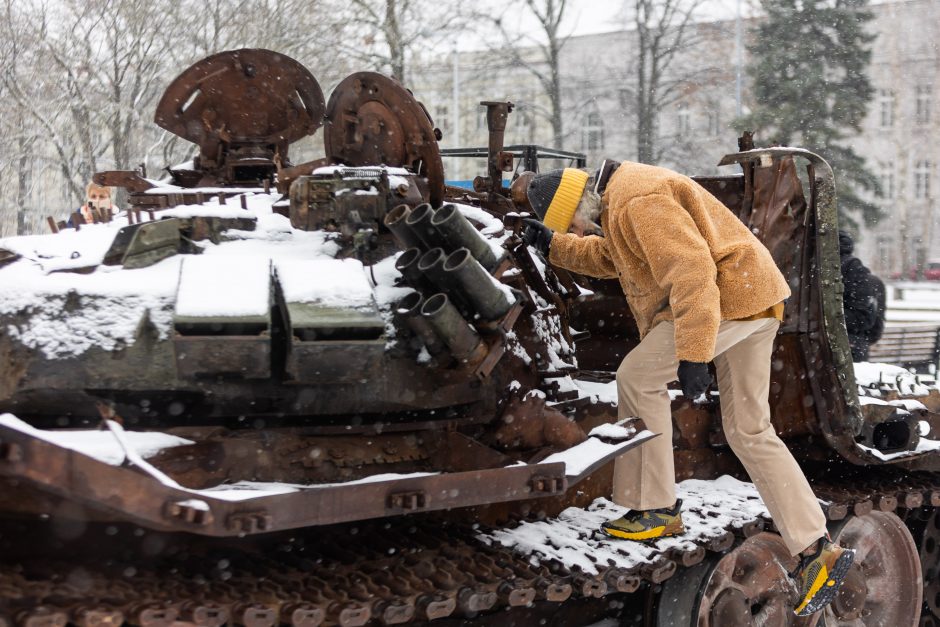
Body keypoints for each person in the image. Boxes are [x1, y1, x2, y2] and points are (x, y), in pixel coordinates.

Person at [522, 163, 855, 616]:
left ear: (580, 202)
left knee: (636, 378)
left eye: (574, 223)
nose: (583, 230)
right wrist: (553, 244)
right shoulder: (622, 199)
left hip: (728, 300)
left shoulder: (637, 199)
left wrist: (694, 352)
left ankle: (654, 507)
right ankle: (818, 550)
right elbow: (610, 256)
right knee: (750, 431)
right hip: (754, 298)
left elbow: (692, 269)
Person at [839, 230, 886, 361]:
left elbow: (865, 318)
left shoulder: (848, 269)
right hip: (857, 344)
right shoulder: (873, 281)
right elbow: (876, 324)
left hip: (849, 344)